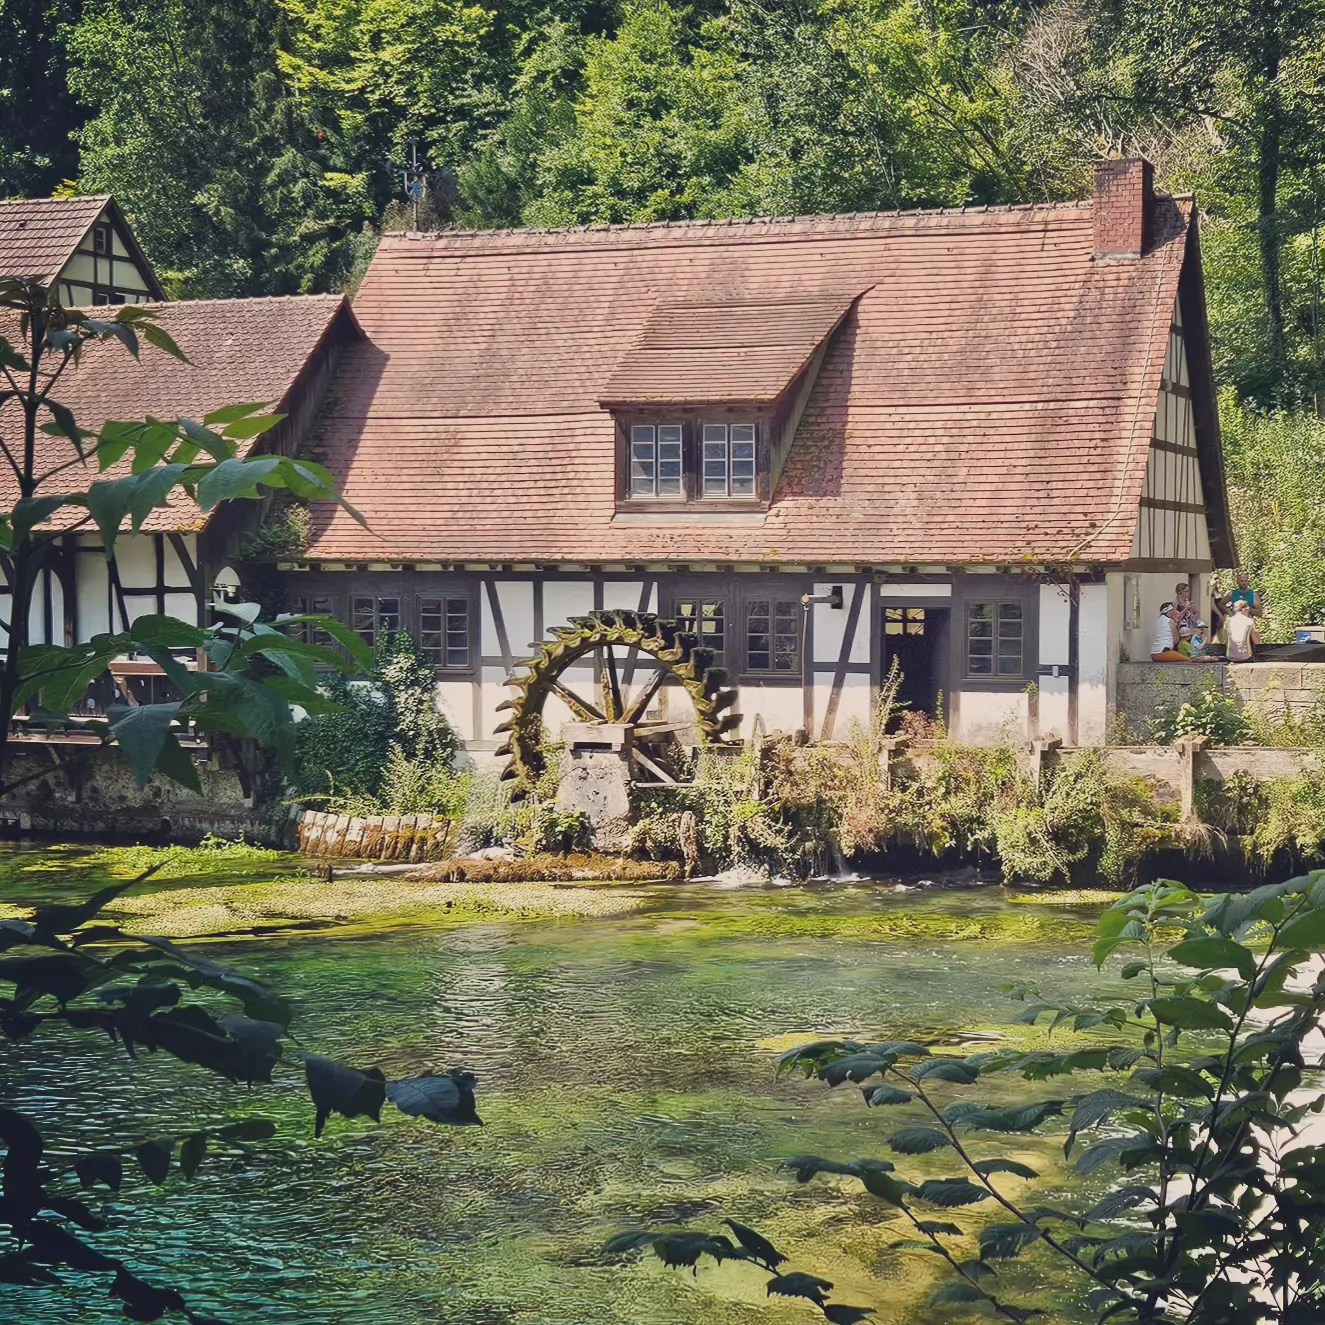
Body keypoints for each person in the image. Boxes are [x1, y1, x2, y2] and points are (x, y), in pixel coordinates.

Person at [1225, 599, 1261, 663]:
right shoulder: (1249, 621)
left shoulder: (1228, 621)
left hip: (1230, 656)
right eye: (1248, 610)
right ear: (1244, 609)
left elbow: (1224, 639)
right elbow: (1257, 641)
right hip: (1245, 657)